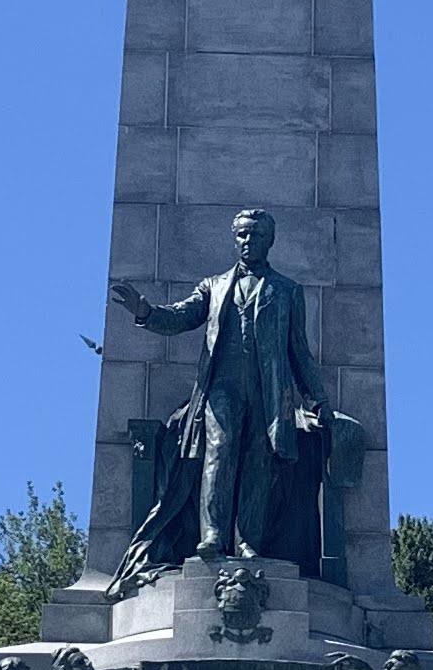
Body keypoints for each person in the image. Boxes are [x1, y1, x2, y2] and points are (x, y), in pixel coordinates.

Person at [112, 207, 331, 570]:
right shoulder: (213, 286)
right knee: (220, 450)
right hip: (221, 387)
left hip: (269, 391)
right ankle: (211, 535)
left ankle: (248, 542)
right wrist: (146, 312)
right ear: (234, 239)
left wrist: (317, 398)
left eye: (256, 235)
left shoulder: (288, 291)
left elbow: (299, 351)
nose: (248, 241)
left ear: (270, 241)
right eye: (242, 235)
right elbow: (182, 316)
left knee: (259, 462)